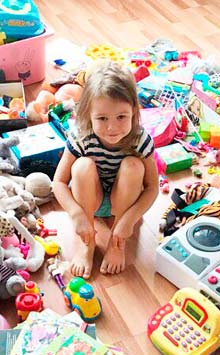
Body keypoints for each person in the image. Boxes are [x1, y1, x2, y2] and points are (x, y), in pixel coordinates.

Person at [52, 61, 158, 278]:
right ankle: (87, 243)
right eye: (102, 118)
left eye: (121, 117)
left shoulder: (140, 140)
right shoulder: (82, 136)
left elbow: (152, 188)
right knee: (82, 166)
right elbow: (58, 182)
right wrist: (77, 214)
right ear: (88, 114)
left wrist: (129, 220)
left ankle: (117, 244)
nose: (112, 128)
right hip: (91, 201)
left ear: (134, 112)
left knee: (133, 166)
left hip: (124, 204)